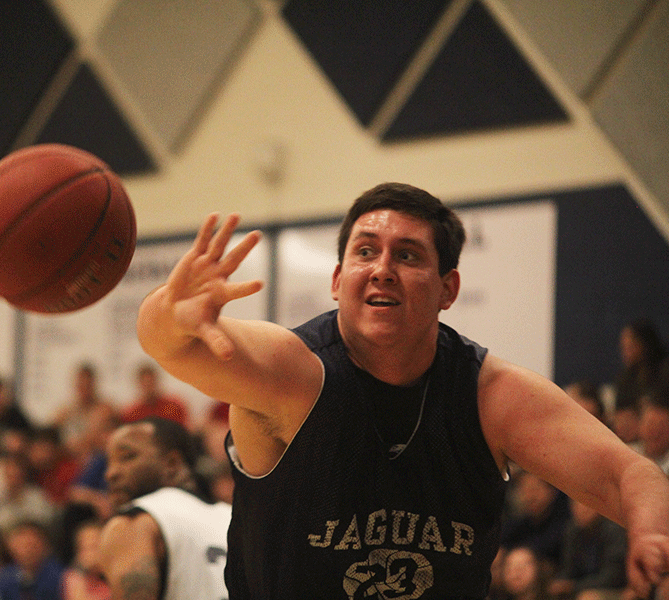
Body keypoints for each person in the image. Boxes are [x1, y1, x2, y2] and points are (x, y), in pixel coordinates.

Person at [135, 183, 669, 599]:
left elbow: (630, 475)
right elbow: (173, 347)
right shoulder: (291, 372)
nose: (383, 269)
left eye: (408, 256)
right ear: (338, 278)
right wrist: (166, 312)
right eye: (366, 252)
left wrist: (651, 537)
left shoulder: (490, 396)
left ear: (448, 289)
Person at [97, 416, 231, 600]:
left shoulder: (135, 521)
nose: (110, 473)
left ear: (172, 463)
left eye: (127, 457)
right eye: (109, 462)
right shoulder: (232, 517)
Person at [548, 497, 627, 600]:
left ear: (597, 507)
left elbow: (613, 577)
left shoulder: (613, 529)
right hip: (581, 587)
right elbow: (568, 568)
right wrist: (560, 582)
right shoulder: (572, 531)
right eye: (576, 505)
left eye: (586, 505)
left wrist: (573, 586)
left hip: (616, 589)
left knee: (587, 597)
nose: (581, 510)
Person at [121, 363, 190, 428]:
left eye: (151, 382)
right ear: (139, 384)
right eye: (145, 384)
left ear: (156, 381)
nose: (148, 387)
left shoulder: (175, 407)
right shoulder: (131, 414)